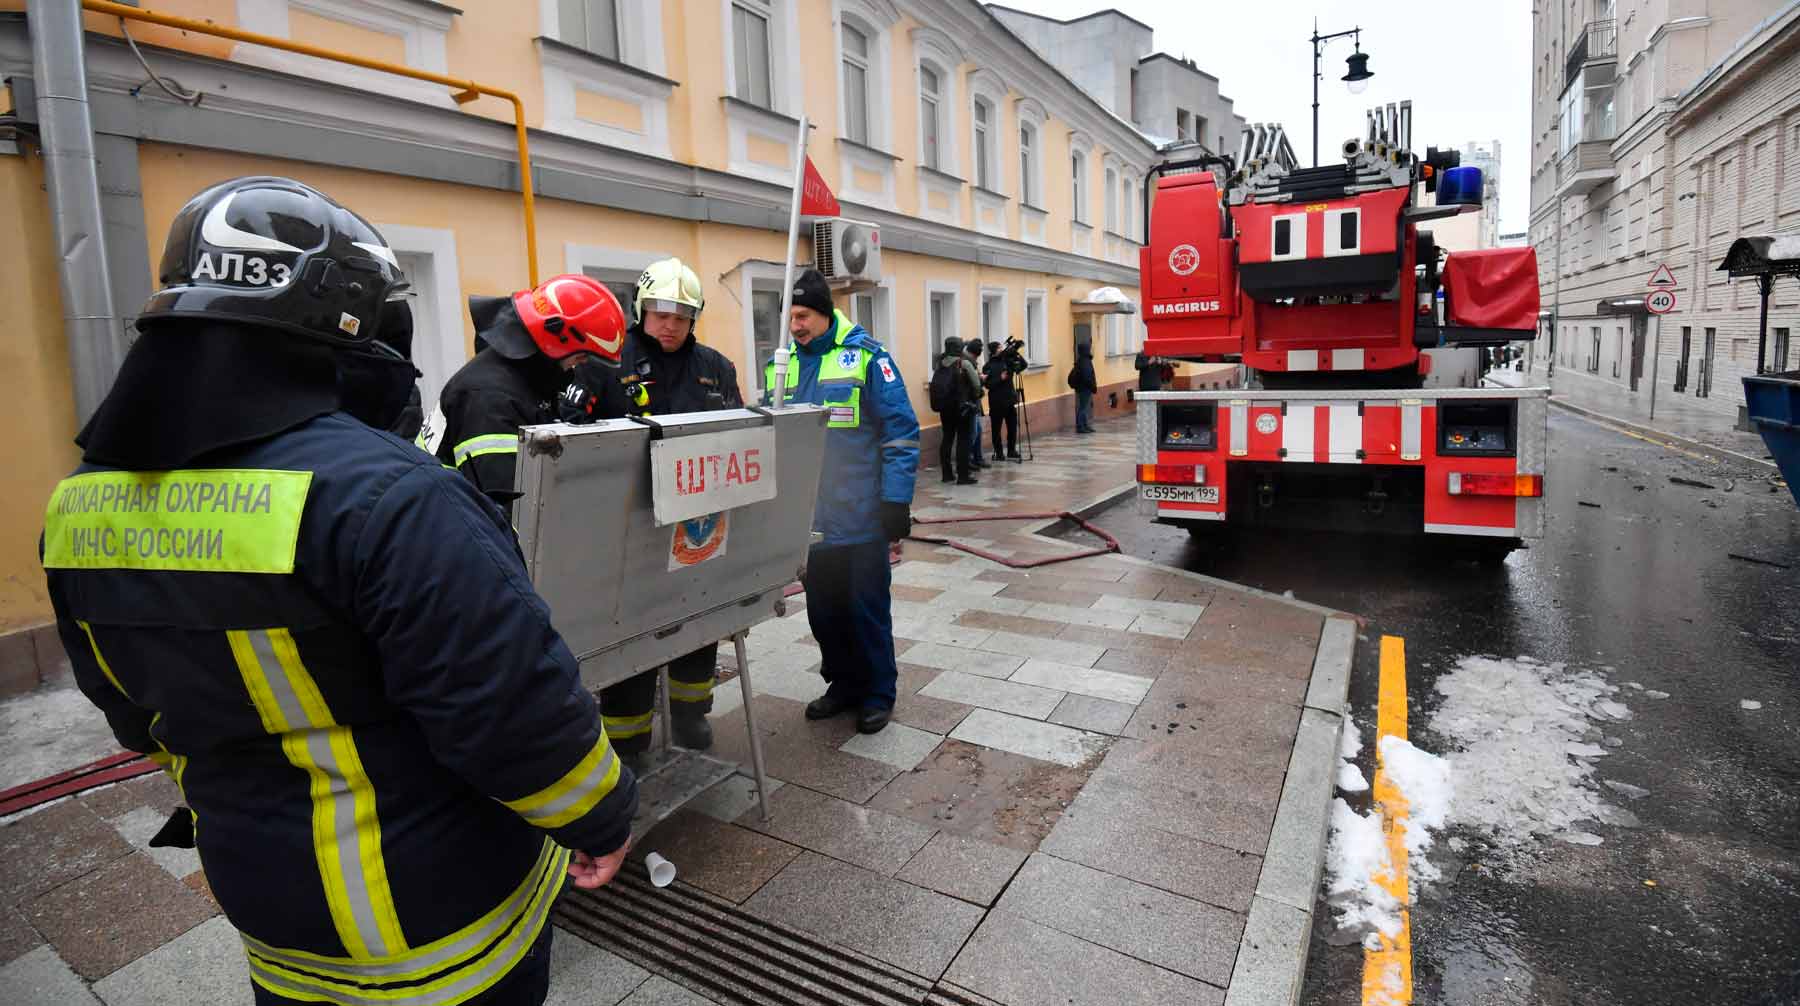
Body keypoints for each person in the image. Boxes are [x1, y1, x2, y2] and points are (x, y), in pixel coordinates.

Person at [40, 176, 637, 1006]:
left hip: (271, 912)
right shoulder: (390, 496)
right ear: (343, 324)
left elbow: (131, 712)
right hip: (442, 923)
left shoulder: (78, 504)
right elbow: (507, 702)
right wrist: (599, 813)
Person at [764, 269, 918, 734]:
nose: (796, 325)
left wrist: (895, 502)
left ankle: (876, 692)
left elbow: (901, 433)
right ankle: (844, 684)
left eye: (804, 315)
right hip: (810, 520)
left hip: (862, 516)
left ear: (826, 312)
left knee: (865, 607)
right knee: (824, 612)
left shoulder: (869, 358)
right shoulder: (781, 365)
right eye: (790, 316)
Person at [600, 258, 743, 762]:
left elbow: (734, 438)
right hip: (630, 522)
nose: (670, 324)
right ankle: (627, 738)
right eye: (660, 313)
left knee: (696, 620)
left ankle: (690, 712)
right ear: (641, 310)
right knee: (632, 631)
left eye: (681, 316)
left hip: (697, 521)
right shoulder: (609, 363)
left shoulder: (715, 368)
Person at [416, 273, 633, 515]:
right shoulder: (489, 399)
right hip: (451, 529)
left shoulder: (523, 378)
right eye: (581, 356)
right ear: (556, 339)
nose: (579, 365)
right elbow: (509, 511)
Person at [931, 336, 978, 485]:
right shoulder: (964, 363)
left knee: (947, 439)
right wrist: (976, 396)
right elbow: (976, 385)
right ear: (958, 348)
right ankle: (963, 475)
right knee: (963, 441)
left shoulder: (941, 364)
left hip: (945, 409)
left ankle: (947, 474)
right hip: (962, 409)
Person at [983, 340, 1023, 462]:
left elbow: (1023, 365)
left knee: (1012, 427)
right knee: (996, 429)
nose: (1002, 350)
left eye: (1002, 347)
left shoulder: (1007, 361)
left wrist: (1015, 351)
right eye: (999, 348)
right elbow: (988, 385)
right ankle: (999, 453)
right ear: (994, 351)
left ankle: (1011, 451)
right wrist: (1000, 378)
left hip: (1010, 400)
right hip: (996, 402)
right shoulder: (988, 366)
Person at [962, 339, 990, 471]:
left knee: (977, 431)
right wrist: (981, 380)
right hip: (970, 403)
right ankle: (968, 461)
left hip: (971, 403)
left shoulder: (966, 360)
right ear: (975, 353)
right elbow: (975, 384)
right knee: (972, 433)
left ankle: (976, 458)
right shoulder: (967, 362)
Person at [1069, 342, 1098, 433]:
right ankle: (1080, 426)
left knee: (1084, 407)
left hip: (1083, 387)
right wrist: (1093, 386)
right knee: (1083, 407)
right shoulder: (1085, 361)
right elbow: (1087, 376)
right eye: (1089, 348)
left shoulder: (1082, 360)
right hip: (1085, 388)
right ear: (1086, 350)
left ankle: (1084, 425)